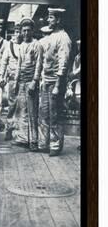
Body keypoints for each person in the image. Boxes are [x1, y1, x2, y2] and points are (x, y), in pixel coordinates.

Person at [38, 8, 72, 156]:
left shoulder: (64, 38)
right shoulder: (51, 37)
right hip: (46, 80)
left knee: (55, 115)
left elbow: (63, 63)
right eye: (49, 17)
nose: (48, 20)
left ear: (58, 20)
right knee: (44, 113)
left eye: (51, 18)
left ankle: (55, 145)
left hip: (56, 82)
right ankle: (44, 143)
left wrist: (58, 85)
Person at [11, 18, 43, 150]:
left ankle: (34, 141)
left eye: (28, 30)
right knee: (21, 111)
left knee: (32, 112)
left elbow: (39, 65)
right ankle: (23, 139)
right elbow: (19, 65)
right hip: (22, 81)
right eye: (23, 30)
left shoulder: (37, 45)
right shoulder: (22, 45)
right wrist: (16, 81)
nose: (25, 33)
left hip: (31, 82)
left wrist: (35, 81)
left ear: (32, 31)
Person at [0, 23, 23, 139]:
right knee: (12, 105)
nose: (18, 34)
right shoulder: (10, 46)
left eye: (20, 32)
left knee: (22, 106)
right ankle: (9, 129)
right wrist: (2, 76)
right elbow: (4, 62)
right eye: (16, 32)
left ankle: (19, 132)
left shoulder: (25, 45)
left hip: (23, 80)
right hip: (13, 80)